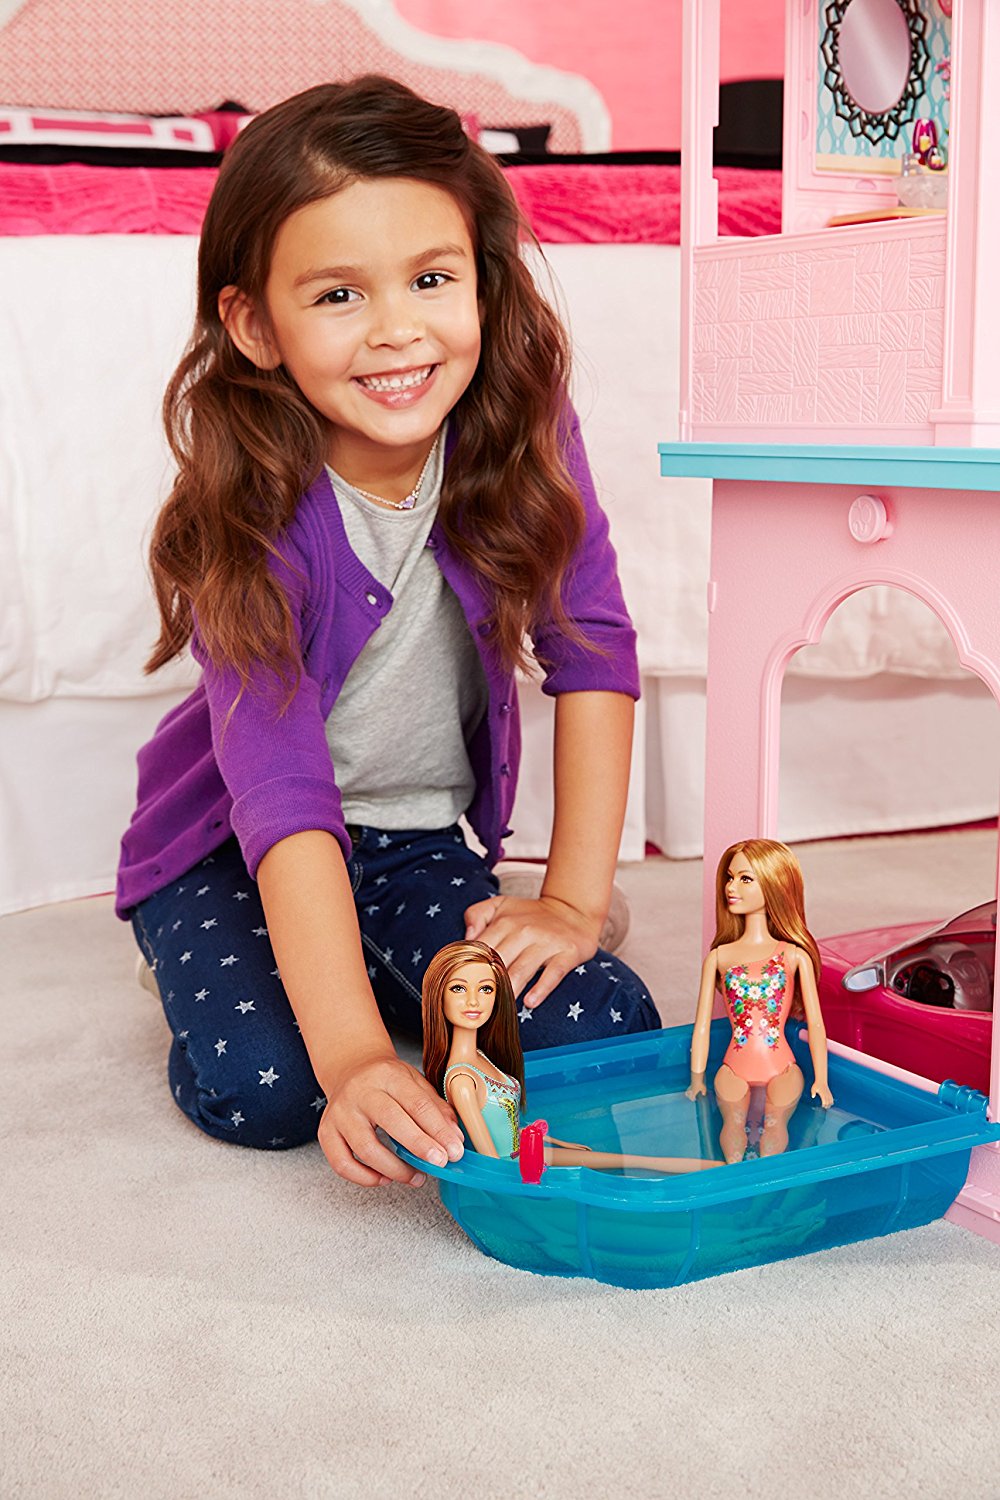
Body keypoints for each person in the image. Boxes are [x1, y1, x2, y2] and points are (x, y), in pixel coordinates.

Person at [116, 75, 661, 1189]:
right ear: (255, 325)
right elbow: (279, 788)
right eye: (337, 295)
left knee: (603, 1025)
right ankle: (214, 960)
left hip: (413, 842)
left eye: (430, 279)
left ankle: (361, 967)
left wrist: (569, 902)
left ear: (482, 279)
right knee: (274, 1089)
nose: (398, 330)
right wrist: (358, 1055)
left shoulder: (521, 428)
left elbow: (593, 643)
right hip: (233, 848)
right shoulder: (251, 511)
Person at [422, 943, 719, 1173]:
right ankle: (709, 1173)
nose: (474, 1001)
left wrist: (558, 1143)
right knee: (624, 1166)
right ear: (439, 994)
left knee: (624, 1160)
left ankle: (713, 1170)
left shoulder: (481, 1057)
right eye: (458, 988)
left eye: (486, 989)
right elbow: (492, 1163)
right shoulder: (462, 1080)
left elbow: (504, 1125)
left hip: (529, 1151)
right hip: (519, 1167)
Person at [686, 839, 833, 1163]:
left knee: (775, 1125)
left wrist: (821, 1080)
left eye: (744, 878)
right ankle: (735, 1184)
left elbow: (816, 1023)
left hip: (781, 1066)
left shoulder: (793, 955)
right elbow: (702, 1026)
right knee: (732, 1126)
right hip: (734, 1067)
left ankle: (766, 1188)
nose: (730, 887)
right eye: (729, 877)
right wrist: (696, 1078)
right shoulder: (720, 957)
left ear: (773, 884)